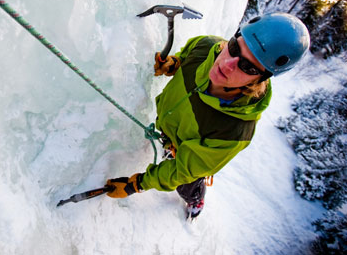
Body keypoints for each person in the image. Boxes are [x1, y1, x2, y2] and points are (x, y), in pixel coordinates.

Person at [105, 12, 311, 219]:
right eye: (234, 47)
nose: (227, 63)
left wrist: (136, 185)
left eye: (247, 67)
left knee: (187, 184)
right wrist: (175, 64)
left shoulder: (232, 132)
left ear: (260, 79)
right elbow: (187, 55)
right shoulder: (206, 47)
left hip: (191, 155)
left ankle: (196, 199)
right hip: (172, 128)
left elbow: (180, 172)